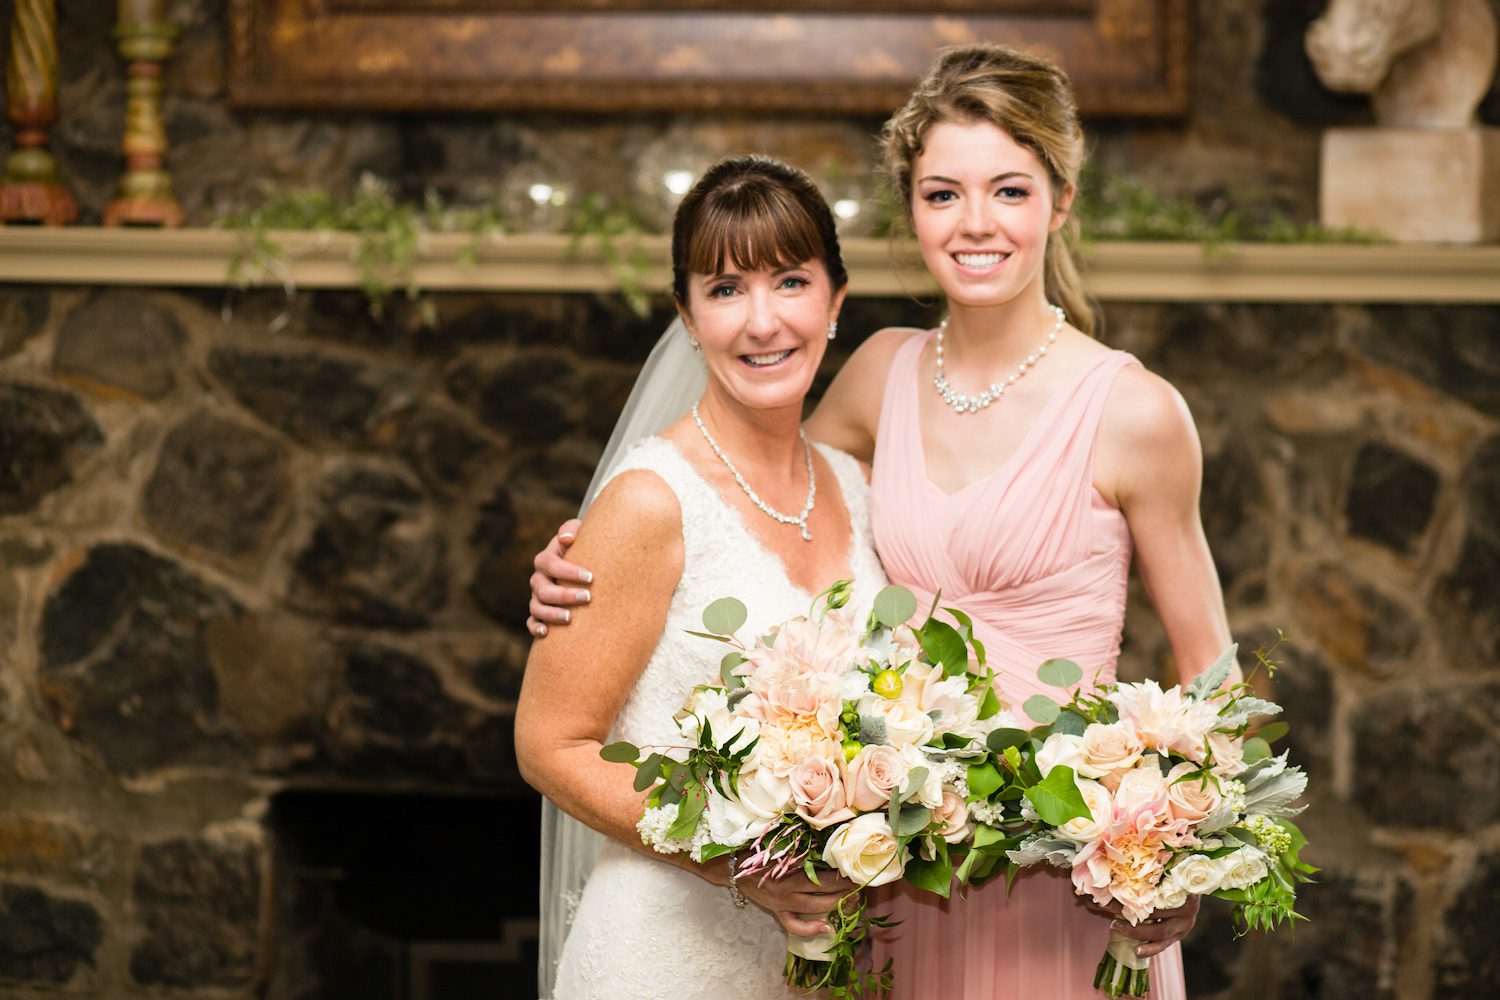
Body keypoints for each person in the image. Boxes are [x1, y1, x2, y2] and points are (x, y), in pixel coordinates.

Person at [527, 44, 1234, 999]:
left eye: (1010, 192)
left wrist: (1192, 840)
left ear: (1062, 201)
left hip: (1070, 879)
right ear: (911, 208)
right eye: (943, 193)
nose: (974, 224)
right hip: (890, 882)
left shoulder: (1138, 412)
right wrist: (583, 569)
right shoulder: (877, 380)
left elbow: (1218, 678)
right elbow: (739, 505)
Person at [514, 154, 889, 1000]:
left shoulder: (855, 485)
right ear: (687, 316)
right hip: (666, 956)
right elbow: (549, 743)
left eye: (790, 281)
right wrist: (739, 860)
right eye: (725, 290)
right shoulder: (651, 501)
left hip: (828, 962)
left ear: (835, 299)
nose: (762, 322)